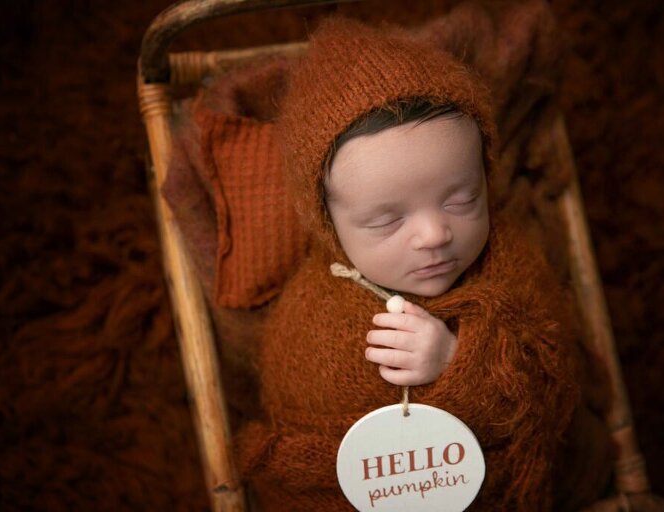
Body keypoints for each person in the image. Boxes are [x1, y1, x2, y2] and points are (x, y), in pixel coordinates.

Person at [226, 15, 610, 512]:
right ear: (328, 223)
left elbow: (555, 384)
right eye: (387, 221)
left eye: (461, 200)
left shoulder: (509, 265)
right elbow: (305, 460)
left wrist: (459, 362)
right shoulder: (312, 321)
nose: (434, 235)